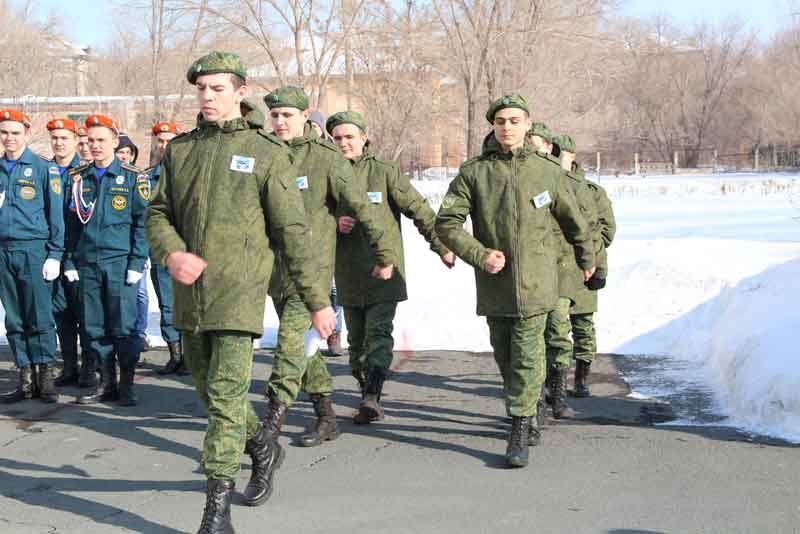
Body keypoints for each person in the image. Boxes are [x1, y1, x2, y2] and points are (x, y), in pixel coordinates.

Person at [146, 52, 335, 532]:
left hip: (239, 294)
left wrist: (317, 300)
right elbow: (158, 213)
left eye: (217, 88)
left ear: (240, 91)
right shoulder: (182, 151)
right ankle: (262, 446)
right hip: (192, 298)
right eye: (201, 89)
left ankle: (216, 509)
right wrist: (171, 254)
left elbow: (293, 231)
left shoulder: (267, 152)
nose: (207, 97)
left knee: (227, 398)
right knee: (211, 394)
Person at [435, 95, 594, 468]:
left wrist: (588, 259)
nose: (507, 127)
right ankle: (529, 401)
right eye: (501, 121)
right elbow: (447, 224)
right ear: (493, 125)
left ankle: (519, 427)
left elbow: (574, 221)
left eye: (515, 120)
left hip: (539, 283)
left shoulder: (547, 171)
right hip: (495, 283)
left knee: (526, 353)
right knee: (505, 354)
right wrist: (479, 254)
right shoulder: (474, 173)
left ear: (528, 124)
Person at [262, 86, 395, 447]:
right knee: (305, 349)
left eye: (287, 115)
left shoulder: (324, 158)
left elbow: (362, 207)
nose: (279, 122)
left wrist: (385, 255)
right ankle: (325, 416)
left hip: (314, 271)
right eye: (274, 115)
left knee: (289, 345)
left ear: (305, 117)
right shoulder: (263, 153)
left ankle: (270, 426)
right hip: (275, 270)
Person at [328, 110, 454, 424]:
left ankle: (372, 395)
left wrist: (441, 245)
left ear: (364, 137)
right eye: (338, 138)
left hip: (383, 269)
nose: (344, 143)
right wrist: (332, 222)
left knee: (378, 333)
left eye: (349, 137)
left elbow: (419, 210)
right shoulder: (327, 172)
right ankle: (365, 387)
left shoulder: (384, 171)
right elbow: (306, 214)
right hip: (346, 271)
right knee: (356, 343)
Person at [67, 115, 148, 408]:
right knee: (94, 326)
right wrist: (69, 260)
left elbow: (142, 223)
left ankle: (126, 385)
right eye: (91, 141)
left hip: (119, 263)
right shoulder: (79, 177)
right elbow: (71, 223)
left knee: (123, 326)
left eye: (101, 140)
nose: (96, 146)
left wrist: (137, 263)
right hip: (88, 263)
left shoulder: (133, 177)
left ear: (115, 142)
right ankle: (106, 382)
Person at [0, 109, 65, 404]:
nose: (9, 138)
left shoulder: (43, 168)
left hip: (33, 250)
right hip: (3, 251)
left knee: (39, 316)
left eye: (15, 132)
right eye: (4, 132)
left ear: (26, 134)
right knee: (14, 318)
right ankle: (25, 378)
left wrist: (55, 254)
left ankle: (45, 377)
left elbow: (56, 217)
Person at [542, 134, 599, 419]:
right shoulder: (535, 178)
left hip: (566, 270)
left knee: (560, 330)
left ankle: (563, 389)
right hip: (534, 269)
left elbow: (593, 230)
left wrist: (591, 263)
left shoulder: (579, 187)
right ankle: (541, 393)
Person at [558, 136, 617, 397]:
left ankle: (581, 379)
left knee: (582, 324)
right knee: (555, 329)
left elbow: (605, 233)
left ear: (572, 155)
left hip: (583, 268)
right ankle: (554, 383)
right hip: (554, 269)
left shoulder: (592, 192)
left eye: (565, 153)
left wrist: (593, 260)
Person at [46, 118, 97, 388]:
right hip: (53, 256)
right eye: (55, 138)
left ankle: (90, 368)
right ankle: (69, 366)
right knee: (61, 314)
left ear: (75, 140)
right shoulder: (46, 171)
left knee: (85, 315)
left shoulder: (85, 173)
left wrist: (73, 258)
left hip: (80, 257)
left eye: (64, 138)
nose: (59, 143)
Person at [145, 121, 186, 375]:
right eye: (160, 140)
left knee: (188, 304)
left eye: (169, 140)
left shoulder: (188, 174)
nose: (164, 145)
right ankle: (175, 354)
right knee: (167, 304)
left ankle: (191, 354)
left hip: (186, 251)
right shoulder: (147, 177)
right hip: (160, 252)